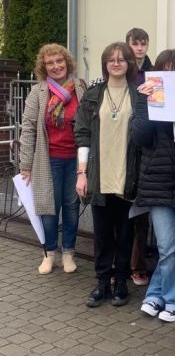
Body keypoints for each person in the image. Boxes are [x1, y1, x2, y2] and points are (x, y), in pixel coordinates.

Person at [132, 50, 175, 322]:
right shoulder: (145, 100)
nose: (169, 74)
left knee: (173, 248)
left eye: (174, 70)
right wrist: (146, 103)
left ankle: (155, 294)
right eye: (164, 69)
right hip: (156, 185)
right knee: (168, 247)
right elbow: (139, 138)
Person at [74, 42, 140, 308]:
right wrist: (82, 173)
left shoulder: (139, 95)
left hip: (128, 177)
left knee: (125, 235)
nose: (116, 63)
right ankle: (102, 282)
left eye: (121, 59)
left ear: (129, 63)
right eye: (111, 59)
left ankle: (121, 282)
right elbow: (82, 135)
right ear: (105, 64)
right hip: (99, 176)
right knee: (102, 235)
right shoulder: (93, 95)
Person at [19, 44, 86, 275]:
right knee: (48, 208)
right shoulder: (38, 92)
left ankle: (68, 253)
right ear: (43, 67)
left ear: (67, 62)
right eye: (50, 63)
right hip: (48, 161)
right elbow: (28, 128)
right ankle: (49, 253)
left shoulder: (80, 88)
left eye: (59, 61)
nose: (56, 66)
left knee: (71, 207)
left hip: (76, 160)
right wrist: (25, 165)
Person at [126, 27, 153, 286]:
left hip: (145, 147)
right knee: (121, 213)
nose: (140, 48)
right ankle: (119, 264)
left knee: (141, 216)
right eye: (135, 43)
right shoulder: (121, 71)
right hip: (123, 147)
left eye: (143, 43)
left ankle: (138, 264)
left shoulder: (154, 73)